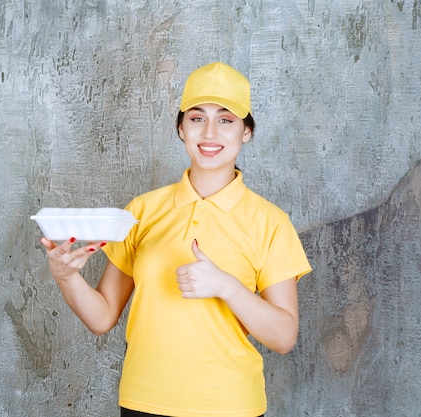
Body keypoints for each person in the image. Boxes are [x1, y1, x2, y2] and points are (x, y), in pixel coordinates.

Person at [41, 62, 312, 417]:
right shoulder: (142, 210)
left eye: (226, 120)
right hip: (142, 401)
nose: (210, 132)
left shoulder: (271, 222)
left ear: (246, 132)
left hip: (230, 406)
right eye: (197, 118)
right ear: (182, 128)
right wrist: (66, 276)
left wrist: (226, 286)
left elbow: (284, 336)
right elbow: (102, 317)